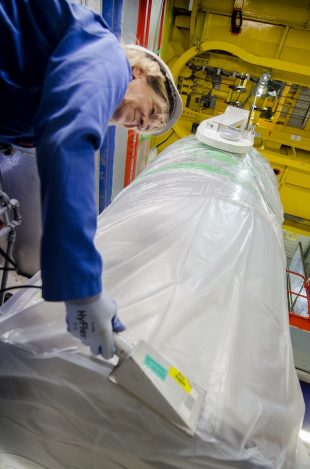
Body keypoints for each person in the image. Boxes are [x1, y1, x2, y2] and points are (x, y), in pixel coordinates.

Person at [0, 0, 183, 358]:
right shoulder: (105, 56)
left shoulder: (51, 102)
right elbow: (70, 142)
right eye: (152, 112)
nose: (143, 125)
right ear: (141, 71)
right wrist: (83, 289)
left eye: (148, 128)